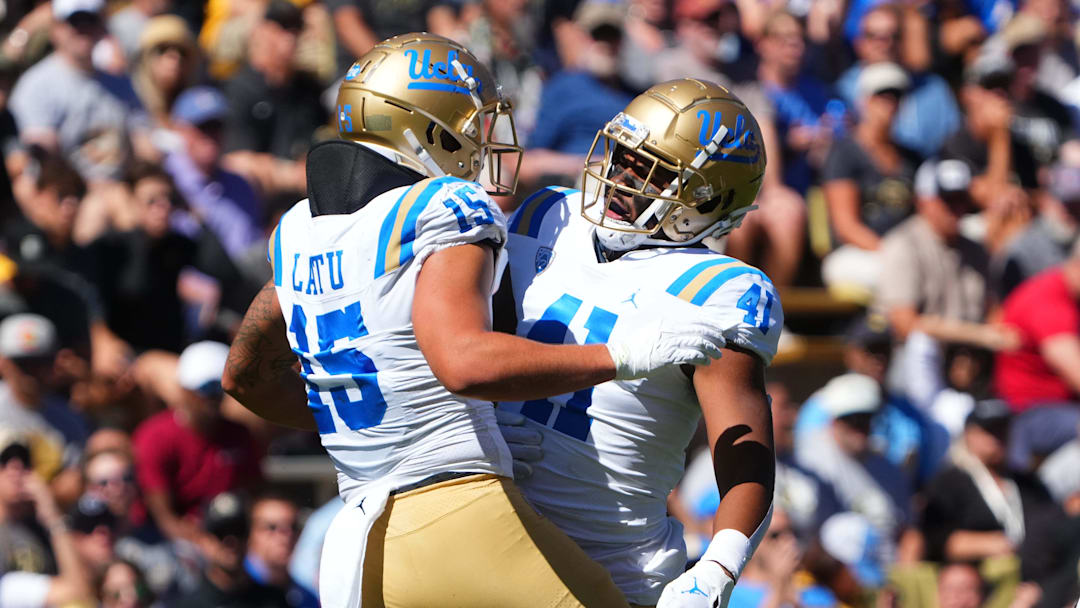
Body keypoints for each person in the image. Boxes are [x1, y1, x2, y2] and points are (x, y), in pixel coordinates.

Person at [221, 34, 728, 608]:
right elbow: (463, 362)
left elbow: (243, 375)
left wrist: (369, 423)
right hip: (464, 517)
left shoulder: (297, 231)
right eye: (471, 125)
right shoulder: (443, 208)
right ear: (426, 129)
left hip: (359, 548)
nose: (483, 142)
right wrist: (622, 354)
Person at [495, 79, 778, 608]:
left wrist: (716, 569)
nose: (622, 178)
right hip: (496, 526)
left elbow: (746, 459)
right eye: (623, 157)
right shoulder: (547, 216)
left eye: (651, 171)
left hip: (617, 565)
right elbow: (479, 349)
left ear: (707, 198)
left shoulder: (722, 290)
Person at [133, 341, 262, 543]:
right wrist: (204, 544)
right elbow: (165, 519)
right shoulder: (155, 436)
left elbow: (254, 498)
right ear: (184, 390)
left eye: (219, 388)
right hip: (168, 542)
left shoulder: (240, 435)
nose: (212, 397)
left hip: (229, 537)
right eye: (205, 388)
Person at [8, 0, 150, 182]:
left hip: (124, 184)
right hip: (72, 193)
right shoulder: (35, 86)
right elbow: (38, 161)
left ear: (102, 26)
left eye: (90, 20)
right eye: (74, 21)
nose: (83, 29)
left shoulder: (121, 82)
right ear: (56, 29)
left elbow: (144, 142)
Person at [821, 61, 921, 298]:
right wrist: (891, 254)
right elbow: (846, 226)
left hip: (906, 252)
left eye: (895, 97)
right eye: (881, 96)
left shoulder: (912, 157)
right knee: (889, 275)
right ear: (864, 100)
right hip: (858, 253)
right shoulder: (844, 152)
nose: (889, 104)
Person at [0, 435, 93, 607]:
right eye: (5, 460)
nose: (16, 468)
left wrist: (53, 517)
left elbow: (82, 592)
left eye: (25, 461)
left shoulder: (44, 529)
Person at [175, 492, 289, 608]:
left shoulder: (274, 601)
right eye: (220, 533)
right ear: (204, 540)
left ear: (249, 537)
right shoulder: (188, 604)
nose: (231, 541)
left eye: (238, 531)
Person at [244, 492, 316, 608]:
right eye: (272, 527)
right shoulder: (233, 589)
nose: (286, 536)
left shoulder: (307, 597)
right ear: (250, 533)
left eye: (293, 527)